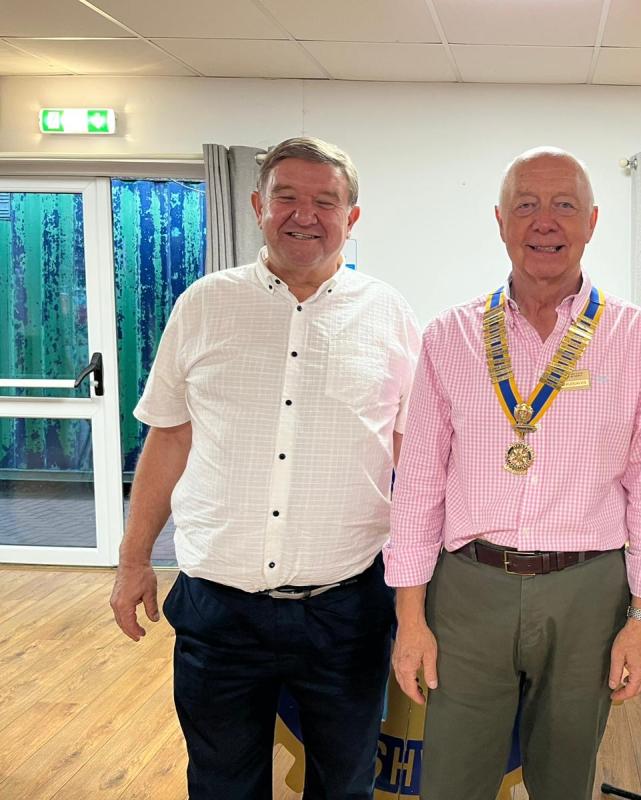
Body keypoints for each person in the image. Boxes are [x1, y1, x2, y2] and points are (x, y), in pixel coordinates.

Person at [108, 136, 420, 800]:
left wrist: (422, 590)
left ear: (352, 217)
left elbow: (413, 458)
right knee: (222, 784)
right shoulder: (203, 305)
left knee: (344, 786)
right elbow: (167, 440)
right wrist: (134, 559)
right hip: (219, 610)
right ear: (257, 205)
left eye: (324, 201)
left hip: (346, 610)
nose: (303, 215)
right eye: (286, 197)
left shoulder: (389, 315)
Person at [384, 146, 641, 800]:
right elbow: (418, 487)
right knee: (451, 783)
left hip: (589, 591)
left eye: (563, 206)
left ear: (592, 222)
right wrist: (410, 619)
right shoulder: (450, 336)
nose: (544, 222)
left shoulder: (638, 338)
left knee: (564, 779)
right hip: (468, 589)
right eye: (526, 205)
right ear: (499, 221)